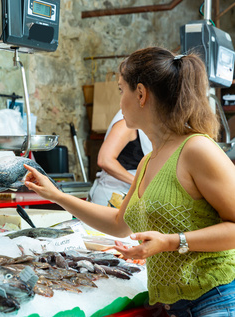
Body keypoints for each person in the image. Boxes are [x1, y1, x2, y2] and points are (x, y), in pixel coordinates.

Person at [24, 47, 235, 316]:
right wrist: (57, 195)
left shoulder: (196, 149)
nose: (120, 101)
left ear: (141, 94)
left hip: (216, 300)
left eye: (121, 90)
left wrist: (171, 241)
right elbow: (118, 224)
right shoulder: (149, 160)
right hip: (176, 308)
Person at [89, 109, 152, 206]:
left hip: (133, 195)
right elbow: (105, 160)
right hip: (113, 196)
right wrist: (140, 183)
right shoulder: (126, 123)